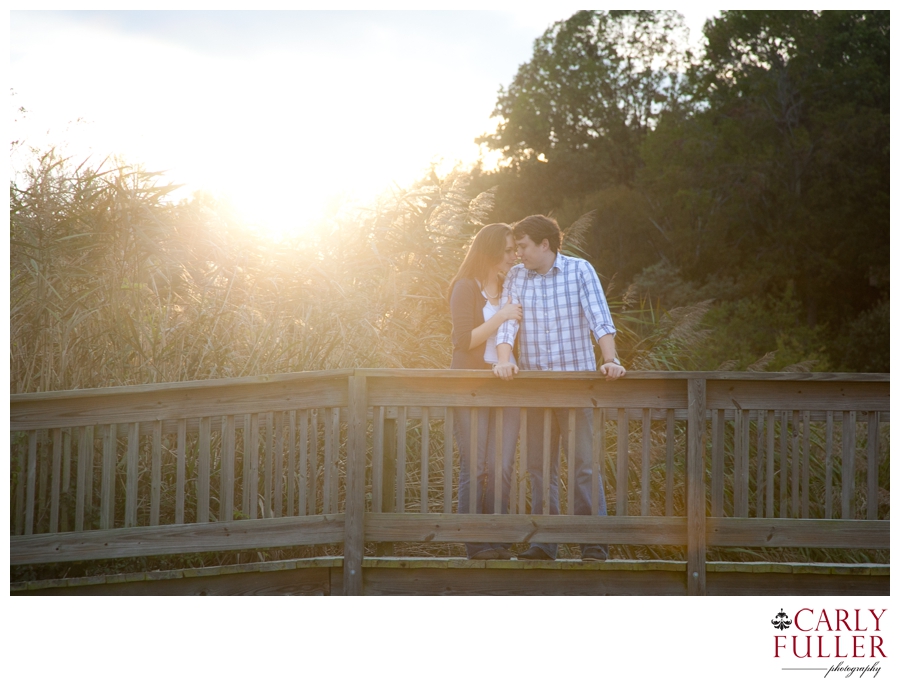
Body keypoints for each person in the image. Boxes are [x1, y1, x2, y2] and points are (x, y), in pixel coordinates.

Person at [493, 214, 626, 561]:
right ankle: (544, 545)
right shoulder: (516, 277)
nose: (518, 253)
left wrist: (610, 359)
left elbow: (600, 318)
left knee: (584, 465)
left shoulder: (580, 270)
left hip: (576, 386)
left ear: (544, 244)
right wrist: (504, 360)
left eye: (523, 246)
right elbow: (508, 326)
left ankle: (594, 546)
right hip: (537, 388)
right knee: (539, 469)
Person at [448, 223, 522, 560]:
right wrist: (501, 316)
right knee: (475, 465)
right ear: (490, 251)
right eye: (507, 251)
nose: (513, 256)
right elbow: (463, 340)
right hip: (471, 387)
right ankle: (475, 543)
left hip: (505, 385)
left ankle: (497, 539)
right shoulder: (465, 287)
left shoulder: (513, 287)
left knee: (501, 464)